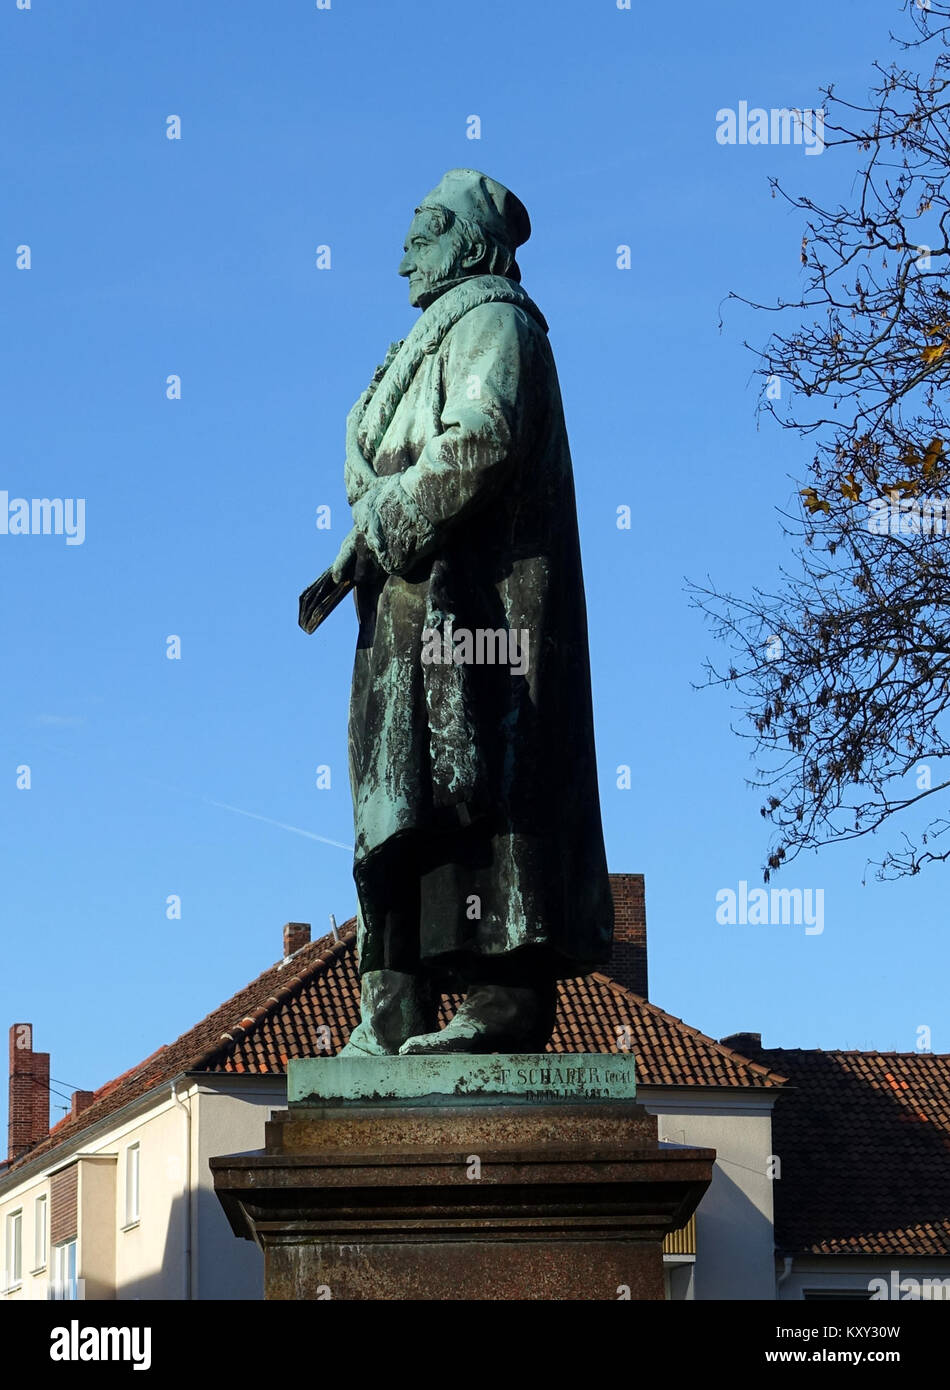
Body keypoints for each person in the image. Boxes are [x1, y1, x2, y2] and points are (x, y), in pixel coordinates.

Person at [329, 169, 613, 1055]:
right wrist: (376, 532)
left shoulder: (496, 320)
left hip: (485, 605)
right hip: (408, 605)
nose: (406, 248)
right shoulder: (420, 339)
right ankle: (393, 1003)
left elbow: (479, 439)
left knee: (483, 784)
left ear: (472, 242)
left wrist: (388, 518)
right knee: (399, 802)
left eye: (426, 227)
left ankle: (503, 1001)